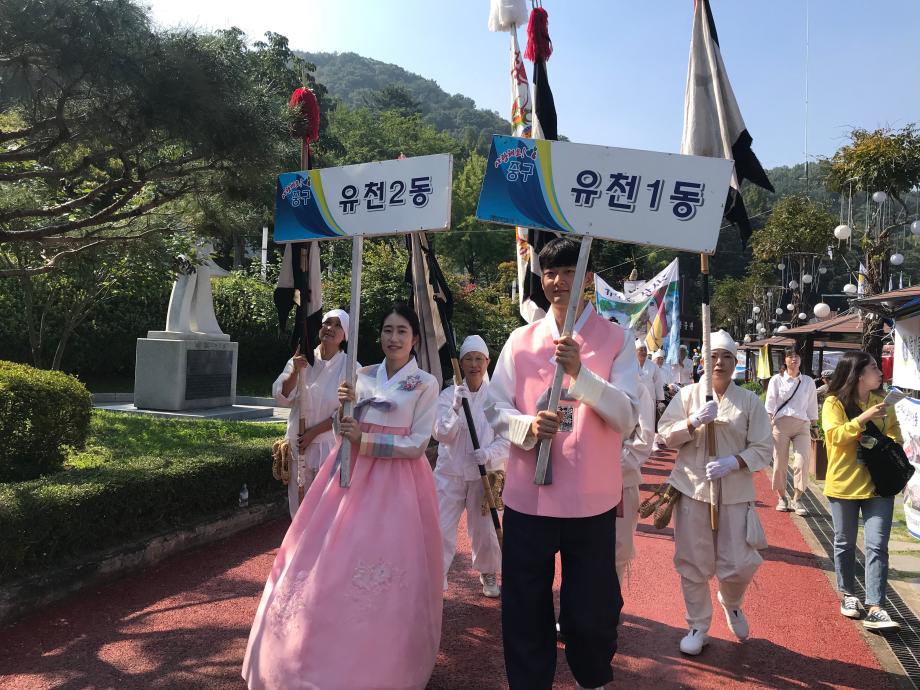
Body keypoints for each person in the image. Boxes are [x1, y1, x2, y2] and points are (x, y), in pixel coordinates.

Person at [242, 304, 443, 690]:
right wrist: (343, 413)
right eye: (387, 330)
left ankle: (381, 660)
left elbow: (418, 444)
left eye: (402, 331)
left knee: (386, 564)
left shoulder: (425, 384)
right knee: (325, 558)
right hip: (346, 474)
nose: (393, 338)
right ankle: (304, 653)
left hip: (397, 483)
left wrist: (364, 440)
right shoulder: (362, 375)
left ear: (415, 339)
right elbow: (341, 424)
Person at [486, 237, 639, 690]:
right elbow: (494, 408)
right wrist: (527, 428)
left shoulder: (616, 339)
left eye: (570, 272)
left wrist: (581, 375)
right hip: (527, 501)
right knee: (523, 608)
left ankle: (592, 678)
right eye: (551, 273)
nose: (559, 282)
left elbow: (628, 416)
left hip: (590, 504)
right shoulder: (521, 340)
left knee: (591, 613)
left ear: (588, 278)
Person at [658, 330, 772, 656]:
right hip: (692, 489)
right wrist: (693, 422)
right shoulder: (687, 396)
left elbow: (763, 449)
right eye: (712, 357)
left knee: (738, 564)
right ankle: (697, 625)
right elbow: (666, 436)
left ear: (735, 363)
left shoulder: (750, 401)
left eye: (726, 357)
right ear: (702, 361)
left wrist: (734, 461)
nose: (718, 363)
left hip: (736, 494)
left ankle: (731, 602)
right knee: (692, 562)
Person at [822, 351, 902, 631]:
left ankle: (877, 606)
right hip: (844, 483)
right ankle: (848, 594)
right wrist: (865, 418)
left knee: (877, 545)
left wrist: (886, 443)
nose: (880, 373)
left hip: (880, 484)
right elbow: (834, 436)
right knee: (844, 542)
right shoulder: (834, 402)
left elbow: (895, 435)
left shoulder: (884, 402)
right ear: (858, 374)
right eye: (874, 369)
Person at [434, 334, 508, 597]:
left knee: (485, 530)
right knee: (441, 527)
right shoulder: (447, 395)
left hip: (483, 476)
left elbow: (506, 438)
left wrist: (488, 453)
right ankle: (436, 573)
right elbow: (441, 434)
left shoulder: (497, 398)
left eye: (479, 359)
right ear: (460, 364)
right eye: (468, 359)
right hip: (450, 473)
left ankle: (488, 571)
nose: (474, 364)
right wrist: (455, 408)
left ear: (487, 361)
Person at [273, 309, 354, 518]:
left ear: (345, 335)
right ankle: (299, 549)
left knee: (325, 509)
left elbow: (347, 411)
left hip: (328, 445)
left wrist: (314, 432)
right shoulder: (301, 358)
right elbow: (283, 396)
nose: (330, 329)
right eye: (327, 323)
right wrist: (295, 372)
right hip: (298, 443)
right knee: (299, 507)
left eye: (338, 326)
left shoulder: (349, 367)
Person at [764, 347, 819, 516]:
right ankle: (782, 497)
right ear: (785, 360)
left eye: (796, 356)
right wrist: (767, 426)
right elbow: (770, 405)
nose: (794, 359)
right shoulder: (777, 380)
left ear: (801, 360)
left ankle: (797, 498)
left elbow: (811, 405)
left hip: (802, 425)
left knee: (802, 462)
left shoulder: (808, 381)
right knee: (780, 462)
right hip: (780, 425)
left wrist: (815, 425)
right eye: (790, 356)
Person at [616, 384, 655, 581]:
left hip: (620, 482)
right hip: (578, 484)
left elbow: (644, 439)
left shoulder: (637, 388)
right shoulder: (574, 380)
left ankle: (609, 607)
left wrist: (606, 468)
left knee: (617, 551)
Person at [636, 339, 665, 411]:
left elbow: (658, 382)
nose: (643, 352)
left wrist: (659, 399)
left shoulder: (653, 365)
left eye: (645, 350)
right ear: (635, 351)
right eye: (641, 350)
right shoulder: (630, 364)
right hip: (635, 398)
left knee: (648, 420)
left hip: (650, 397)